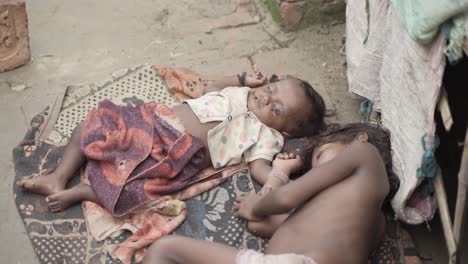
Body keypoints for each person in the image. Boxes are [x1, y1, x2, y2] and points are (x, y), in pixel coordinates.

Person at [16, 72, 326, 215]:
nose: (265, 97)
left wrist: (280, 171)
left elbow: (259, 168)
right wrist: (242, 79)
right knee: (94, 122)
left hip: (179, 155)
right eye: (271, 88)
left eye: (275, 108)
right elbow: (210, 86)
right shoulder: (242, 93)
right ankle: (58, 177)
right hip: (154, 120)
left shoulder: (266, 137)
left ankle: (88, 191)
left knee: (141, 189)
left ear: (284, 131)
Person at [141, 123, 400, 264]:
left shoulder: (365, 153)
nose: (319, 172)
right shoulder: (370, 222)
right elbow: (261, 225)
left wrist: (257, 204)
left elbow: (281, 201)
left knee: (165, 250)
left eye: (321, 156)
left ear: (360, 138)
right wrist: (278, 173)